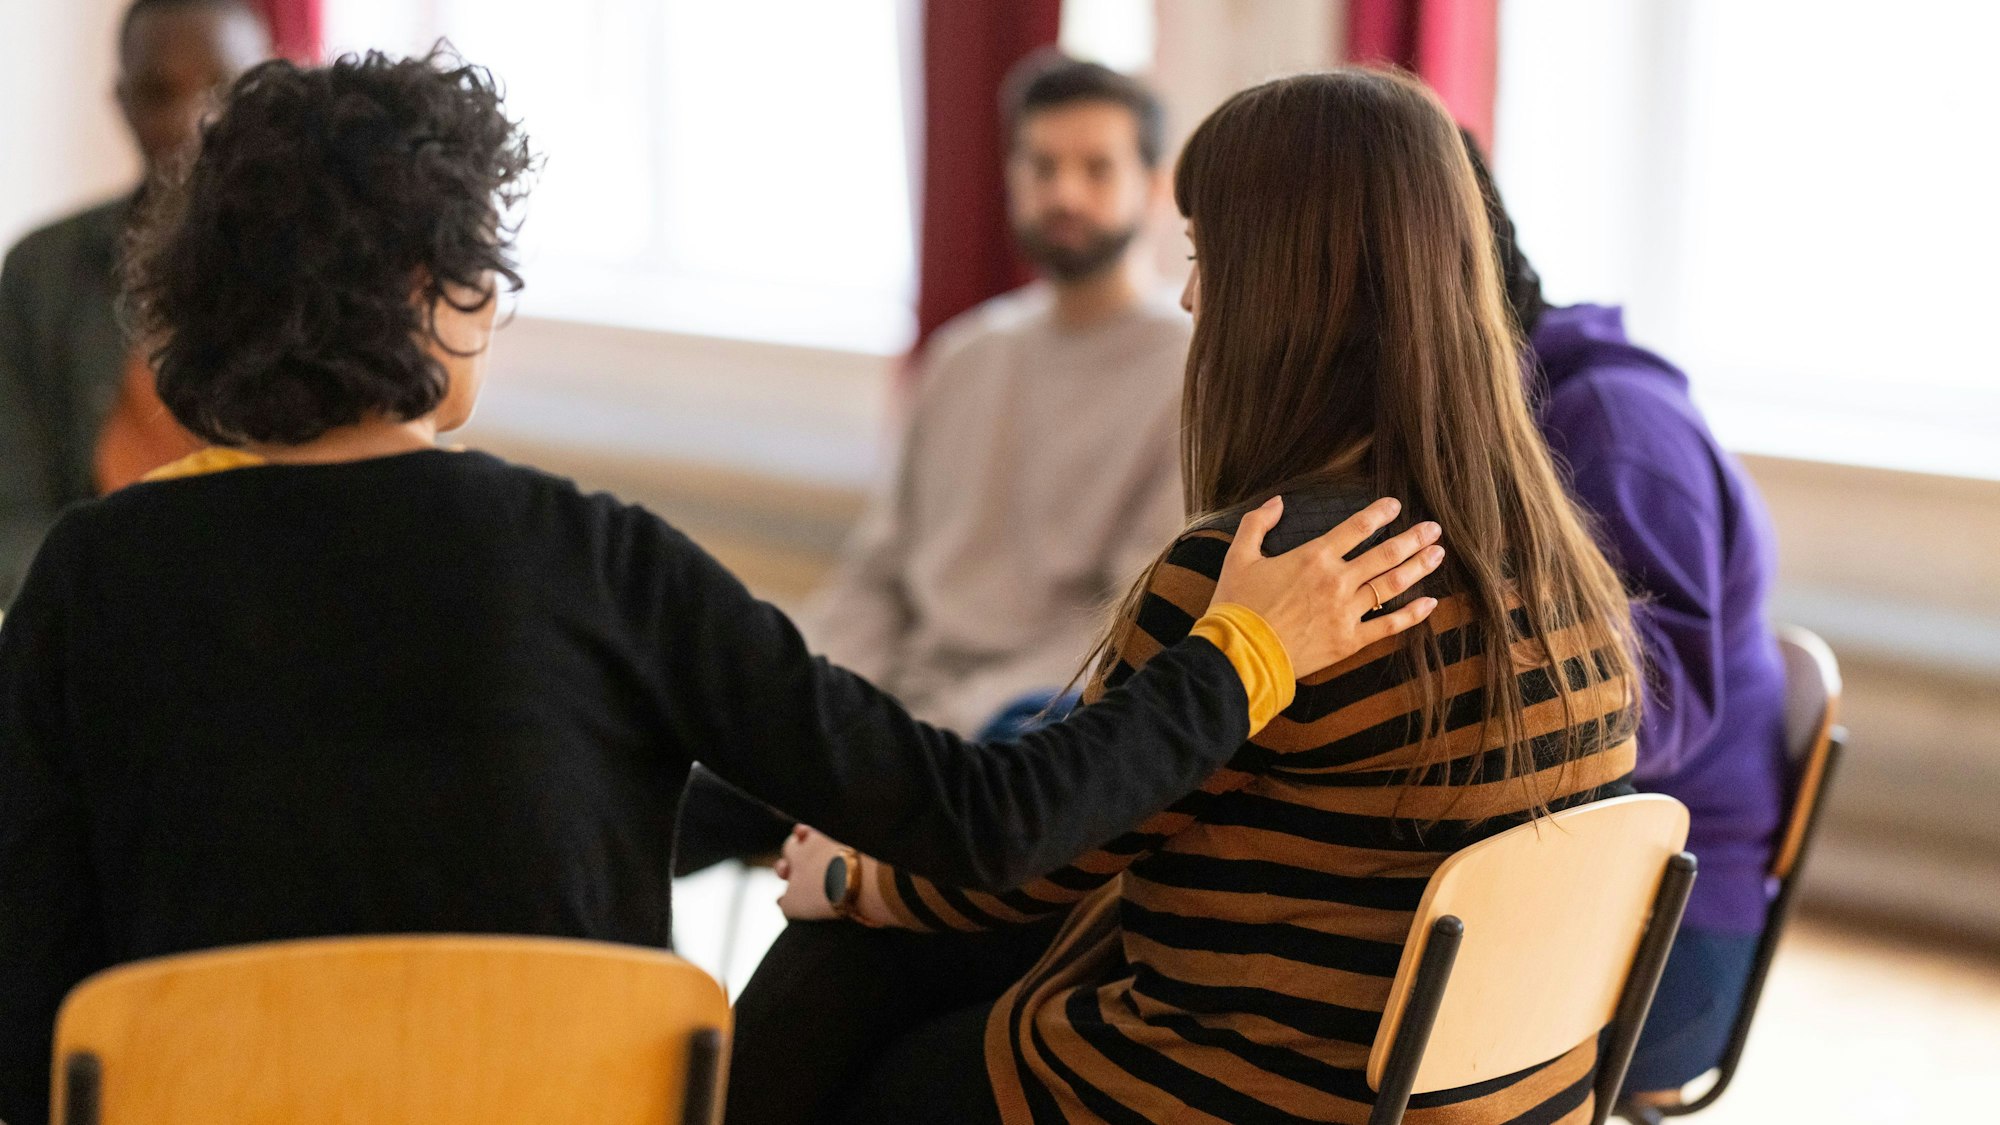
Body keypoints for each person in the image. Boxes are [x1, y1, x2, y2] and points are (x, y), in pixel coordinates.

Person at [0, 51, 1447, 1125]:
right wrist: (1244, 653)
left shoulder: (87, 573)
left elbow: (31, 973)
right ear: (438, 293)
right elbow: (988, 821)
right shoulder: (594, 556)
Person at [739, 69, 1645, 1125]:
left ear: (1281, 290)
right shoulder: (1554, 562)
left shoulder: (1270, 570)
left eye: (1207, 259)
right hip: (1480, 1096)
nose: (1188, 296)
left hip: (1243, 1093)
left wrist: (854, 879)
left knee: (850, 984)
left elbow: (1041, 850)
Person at [675, 52, 1191, 874]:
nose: (1064, 192)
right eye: (1042, 165)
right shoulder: (965, 356)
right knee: (629, 807)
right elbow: (881, 571)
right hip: (883, 721)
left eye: (1096, 168)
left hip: (1010, 743)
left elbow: (1126, 623)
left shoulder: (1188, 371)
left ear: (1155, 185)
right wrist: (813, 704)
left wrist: (935, 728)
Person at [1463, 136, 1790, 1097]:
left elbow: (1650, 711)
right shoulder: (1538, 410)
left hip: (1669, 939)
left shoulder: (1612, 432)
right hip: (1602, 895)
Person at [0, 0, 271, 605]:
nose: (191, 122)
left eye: (222, 89)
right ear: (121, 104)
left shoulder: (323, 273)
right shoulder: (41, 273)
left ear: (269, 94)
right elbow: (10, 519)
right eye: (158, 93)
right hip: (90, 623)